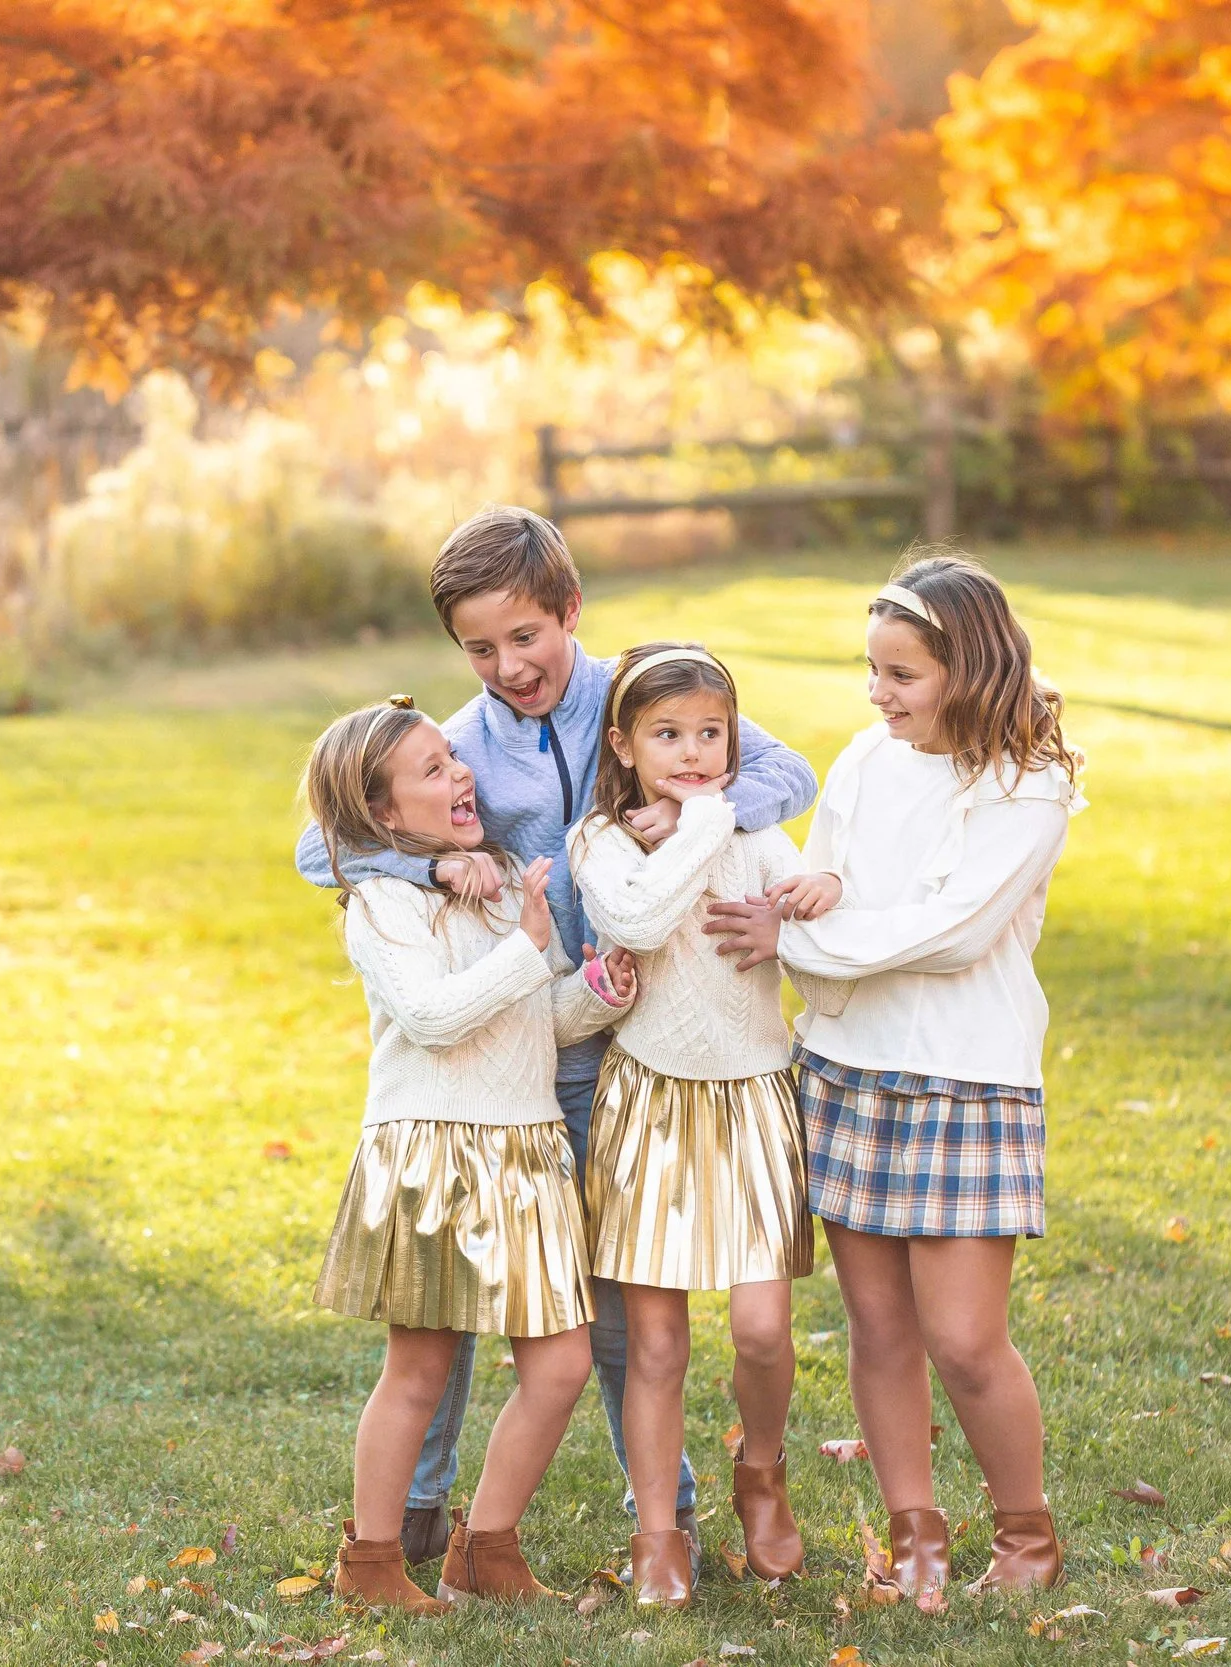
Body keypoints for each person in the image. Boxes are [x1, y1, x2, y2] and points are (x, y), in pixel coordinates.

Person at [297, 506, 819, 1563]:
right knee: (443, 1301)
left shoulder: (645, 697)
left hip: (643, 1040)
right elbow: (325, 848)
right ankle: (414, 1509)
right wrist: (430, 861)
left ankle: (660, 1512)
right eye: (479, 648)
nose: (508, 667)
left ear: (571, 609)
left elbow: (791, 773)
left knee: (623, 1305)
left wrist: (697, 804)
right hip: (526, 1047)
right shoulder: (463, 745)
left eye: (525, 636)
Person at [706, 551, 1083, 1609]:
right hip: (846, 1065)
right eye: (871, 669)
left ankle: (1026, 1529)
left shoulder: (1030, 784)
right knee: (879, 1327)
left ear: (971, 669)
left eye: (902, 674)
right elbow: (818, 880)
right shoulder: (868, 758)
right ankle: (916, 1531)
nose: (878, 693)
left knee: (964, 1337)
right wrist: (808, 902)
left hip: (966, 1079)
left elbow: (953, 932)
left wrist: (795, 942)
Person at [304, 698, 638, 1610]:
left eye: (452, 756)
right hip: (436, 1150)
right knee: (418, 1369)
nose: (460, 774)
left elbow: (538, 1015)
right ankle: (372, 1562)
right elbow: (432, 1017)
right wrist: (527, 945)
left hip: (526, 1147)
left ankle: (486, 1547)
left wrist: (598, 990)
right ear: (382, 812)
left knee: (561, 1364)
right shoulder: (382, 902)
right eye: (431, 769)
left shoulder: (498, 880)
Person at [565, 642, 831, 1606]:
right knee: (657, 1344)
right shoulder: (601, 841)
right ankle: (658, 1531)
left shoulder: (758, 836)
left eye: (710, 734)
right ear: (623, 745)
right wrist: (704, 819)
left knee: (761, 1329)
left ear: (733, 739)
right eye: (667, 734)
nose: (691, 753)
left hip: (753, 1093)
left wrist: (812, 905)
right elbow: (638, 922)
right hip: (649, 1104)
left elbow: (816, 928)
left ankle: (761, 1473)